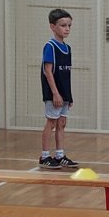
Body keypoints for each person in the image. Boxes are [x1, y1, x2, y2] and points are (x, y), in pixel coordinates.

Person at [39, 9, 77, 170]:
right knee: (51, 122)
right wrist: (55, 93)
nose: (67, 29)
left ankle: (60, 155)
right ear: (53, 27)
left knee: (62, 122)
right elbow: (48, 71)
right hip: (53, 93)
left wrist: (68, 96)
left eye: (69, 25)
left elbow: (66, 75)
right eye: (63, 25)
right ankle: (44, 156)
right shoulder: (50, 46)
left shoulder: (68, 48)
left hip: (64, 93)